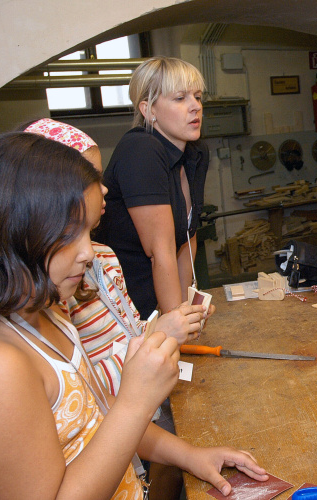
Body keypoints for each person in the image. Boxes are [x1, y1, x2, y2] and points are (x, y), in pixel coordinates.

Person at [0, 133, 267, 499]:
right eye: (67, 234)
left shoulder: (49, 312)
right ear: (1, 234)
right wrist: (136, 401)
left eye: (89, 232)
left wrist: (190, 455)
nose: (88, 253)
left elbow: (98, 417)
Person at [23, 118, 208, 396]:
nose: (105, 188)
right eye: (91, 179)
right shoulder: (54, 287)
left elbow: (131, 332)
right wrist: (162, 335)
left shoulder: (105, 258)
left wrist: (173, 324)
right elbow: (84, 391)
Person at [96, 56, 209, 319]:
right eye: (180, 98)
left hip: (158, 304)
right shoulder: (141, 149)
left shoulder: (195, 152)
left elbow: (187, 237)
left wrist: (185, 308)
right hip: (126, 310)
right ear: (149, 110)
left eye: (198, 97)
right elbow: (161, 251)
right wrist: (174, 321)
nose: (195, 107)